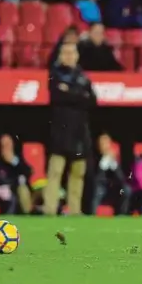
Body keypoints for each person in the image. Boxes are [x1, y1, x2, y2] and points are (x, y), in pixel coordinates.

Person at [43, 43, 97, 215]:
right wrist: (79, 95)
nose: (68, 56)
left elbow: (92, 101)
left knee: (78, 173)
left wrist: (71, 93)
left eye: (71, 53)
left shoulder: (83, 77)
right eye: (65, 53)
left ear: (77, 55)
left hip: (79, 133)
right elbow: (58, 96)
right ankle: (49, 209)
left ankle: (75, 210)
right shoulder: (55, 75)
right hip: (60, 131)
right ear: (60, 55)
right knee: (55, 172)